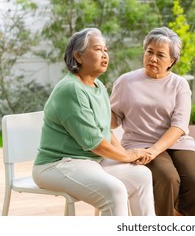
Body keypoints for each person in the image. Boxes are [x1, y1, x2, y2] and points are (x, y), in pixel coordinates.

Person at [32, 28, 155, 216]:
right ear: (78, 56)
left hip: (90, 161)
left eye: (106, 50)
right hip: (58, 164)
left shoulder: (98, 87)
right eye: (98, 49)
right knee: (114, 191)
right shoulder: (71, 89)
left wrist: (127, 156)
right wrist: (128, 156)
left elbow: (106, 131)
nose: (105, 55)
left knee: (141, 175)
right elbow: (94, 143)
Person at [110, 26, 195, 216]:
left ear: (172, 60)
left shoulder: (179, 84)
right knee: (167, 178)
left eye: (160, 55)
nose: (153, 58)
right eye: (149, 52)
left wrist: (155, 150)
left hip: (177, 143)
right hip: (140, 143)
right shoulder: (125, 82)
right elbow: (114, 119)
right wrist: (100, 110)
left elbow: (179, 126)